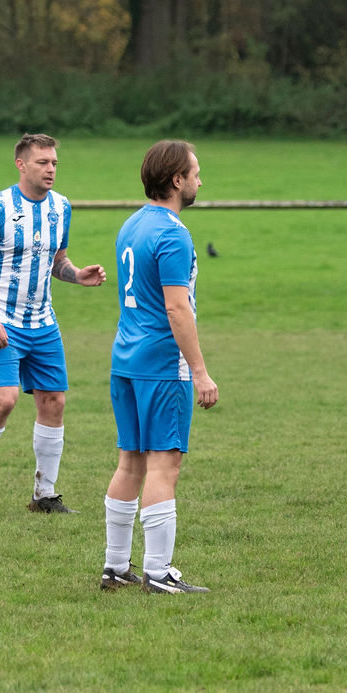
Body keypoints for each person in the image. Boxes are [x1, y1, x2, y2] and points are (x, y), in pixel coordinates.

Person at [0, 134, 105, 515]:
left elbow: (58, 262)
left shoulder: (62, 208)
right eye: (42, 162)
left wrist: (77, 275)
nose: (51, 169)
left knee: (54, 402)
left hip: (43, 322)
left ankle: (44, 495)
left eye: (54, 162)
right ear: (21, 165)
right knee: (3, 401)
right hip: (2, 319)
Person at [100, 140, 218, 594]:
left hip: (124, 360)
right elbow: (176, 308)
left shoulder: (131, 225)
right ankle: (158, 573)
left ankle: (115, 567)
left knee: (130, 460)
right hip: (161, 364)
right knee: (164, 465)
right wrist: (201, 371)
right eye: (196, 173)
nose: (200, 181)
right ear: (176, 180)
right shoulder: (172, 233)